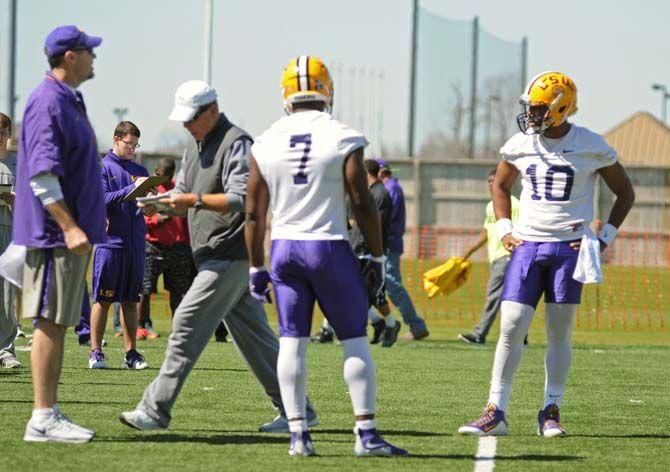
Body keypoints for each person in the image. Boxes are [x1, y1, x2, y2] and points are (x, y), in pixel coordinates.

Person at [119, 79, 318, 434]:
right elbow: (182, 191)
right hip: (211, 255)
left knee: (185, 322)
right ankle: (297, 410)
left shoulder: (237, 142)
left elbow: (242, 198)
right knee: (257, 342)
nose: (185, 125)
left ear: (212, 110)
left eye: (191, 118)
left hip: (231, 253)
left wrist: (191, 201)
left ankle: (154, 410)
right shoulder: (193, 145)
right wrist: (160, 203)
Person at [246, 55, 407, 457]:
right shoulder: (341, 134)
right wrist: (376, 257)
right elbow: (362, 200)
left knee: (292, 342)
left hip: (283, 248)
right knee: (354, 339)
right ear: (327, 90)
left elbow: (253, 211)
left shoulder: (265, 141)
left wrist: (255, 265)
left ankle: (299, 436)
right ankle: (366, 434)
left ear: (286, 94)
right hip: (329, 245)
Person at [458, 71, 635, 438]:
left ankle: (551, 410)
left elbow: (626, 193)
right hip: (527, 245)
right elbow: (502, 185)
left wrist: (604, 239)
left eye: (538, 108)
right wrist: (505, 228)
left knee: (559, 333)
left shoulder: (590, 145)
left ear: (560, 107)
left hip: (568, 249)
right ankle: (495, 410)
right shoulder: (520, 144)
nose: (531, 115)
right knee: (509, 327)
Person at [14, 25, 106, 443]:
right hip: (53, 234)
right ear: (70, 56)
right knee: (48, 321)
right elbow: (42, 175)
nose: (94, 58)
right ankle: (42, 417)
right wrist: (68, 226)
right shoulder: (47, 100)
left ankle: (47, 409)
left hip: (68, 235)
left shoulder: (69, 99)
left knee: (57, 322)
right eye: (89, 51)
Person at [312, 159, 401, 348]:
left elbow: (374, 224)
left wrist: (365, 245)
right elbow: (354, 221)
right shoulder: (365, 193)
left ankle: (385, 325)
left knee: (369, 295)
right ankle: (381, 324)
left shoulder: (380, 195)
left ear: (366, 173)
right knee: (353, 292)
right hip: (356, 248)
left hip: (369, 252)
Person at [89, 121, 149, 370]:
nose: (132, 149)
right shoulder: (101, 167)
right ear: (116, 139)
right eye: (128, 144)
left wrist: (152, 200)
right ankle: (96, 351)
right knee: (102, 299)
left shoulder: (139, 168)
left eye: (135, 145)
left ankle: (131, 353)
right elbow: (100, 199)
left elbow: (144, 201)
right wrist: (130, 189)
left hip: (135, 244)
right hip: (110, 244)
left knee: (130, 301)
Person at [458, 169, 520, 346]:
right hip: (496, 258)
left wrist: (515, 253)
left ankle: (479, 334)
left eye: (495, 180)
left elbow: (520, 229)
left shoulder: (514, 204)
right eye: (489, 181)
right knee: (511, 298)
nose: (491, 184)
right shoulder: (491, 205)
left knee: (494, 296)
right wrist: (470, 250)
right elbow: (487, 232)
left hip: (506, 256)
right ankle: (521, 335)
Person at [137, 157, 196, 340]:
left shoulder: (179, 190)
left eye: (167, 175)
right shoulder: (150, 189)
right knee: (145, 291)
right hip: (152, 246)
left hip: (178, 247)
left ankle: (178, 329)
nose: (164, 178)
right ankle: (141, 327)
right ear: (157, 170)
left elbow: (188, 217)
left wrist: (188, 242)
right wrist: (157, 219)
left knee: (178, 291)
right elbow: (141, 216)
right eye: (161, 174)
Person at [376, 158, 430, 341]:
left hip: (389, 244)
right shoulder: (392, 188)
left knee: (392, 286)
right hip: (388, 243)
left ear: (381, 172)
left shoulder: (391, 189)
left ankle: (416, 325)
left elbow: (385, 219)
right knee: (385, 286)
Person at [0, 112, 20, 368]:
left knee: (6, 294)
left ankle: (6, 350)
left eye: (3, 133)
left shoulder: (18, 164)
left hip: (9, 231)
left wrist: (17, 201)